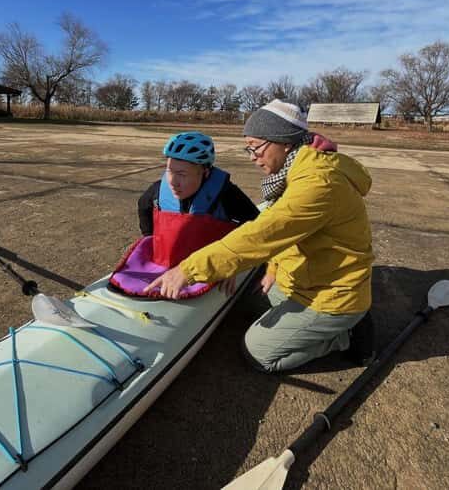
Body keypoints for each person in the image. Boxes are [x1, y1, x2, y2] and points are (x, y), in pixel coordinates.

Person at [145, 100, 375, 372]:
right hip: (308, 279)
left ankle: (343, 337)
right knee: (248, 302)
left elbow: (261, 235)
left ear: (284, 142)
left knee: (258, 353)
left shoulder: (318, 184)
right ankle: (327, 325)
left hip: (333, 295)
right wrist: (273, 267)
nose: (252, 156)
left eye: (255, 146)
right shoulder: (297, 169)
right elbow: (287, 231)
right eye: (249, 148)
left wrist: (187, 270)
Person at [109, 131, 258, 298]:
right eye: (169, 171)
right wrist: (150, 237)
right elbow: (143, 206)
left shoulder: (227, 194)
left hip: (208, 264)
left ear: (205, 172)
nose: (172, 182)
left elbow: (256, 225)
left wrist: (234, 262)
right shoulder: (158, 190)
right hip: (166, 260)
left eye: (182, 174)